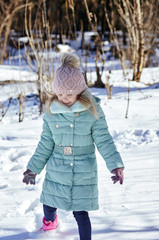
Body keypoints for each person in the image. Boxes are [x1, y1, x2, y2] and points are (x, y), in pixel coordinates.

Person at [23, 52, 124, 240]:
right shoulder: (52, 112)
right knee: (49, 204)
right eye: (59, 93)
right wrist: (32, 168)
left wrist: (116, 165)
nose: (64, 97)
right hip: (57, 168)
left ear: (79, 90)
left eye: (69, 93)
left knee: (81, 214)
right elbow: (45, 143)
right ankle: (50, 223)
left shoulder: (92, 111)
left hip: (83, 171)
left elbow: (104, 140)